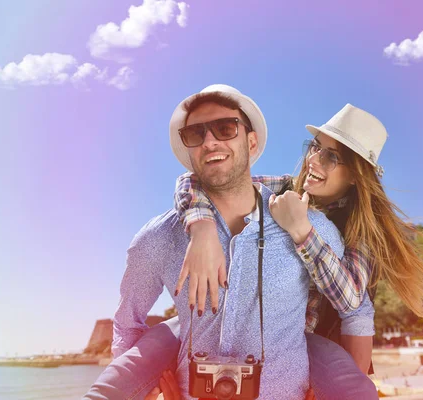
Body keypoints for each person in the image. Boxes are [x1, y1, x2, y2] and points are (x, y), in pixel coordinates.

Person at [84, 84, 377, 400]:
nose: (209, 142)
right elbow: (128, 325)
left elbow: (355, 307)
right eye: (195, 135)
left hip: (311, 338)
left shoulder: (338, 233)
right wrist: (200, 225)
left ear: (252, 142)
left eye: (225, 129)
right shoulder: (158, 238)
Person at [174, 103, 423, 374]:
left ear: (355, 175)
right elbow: (197, 180)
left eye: (330, 157)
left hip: (321, 348)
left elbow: (352, 298)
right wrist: (202, 229)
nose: (313, 160)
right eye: (315, 147)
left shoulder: (363, 230)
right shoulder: (283, 188)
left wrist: (301, 231)